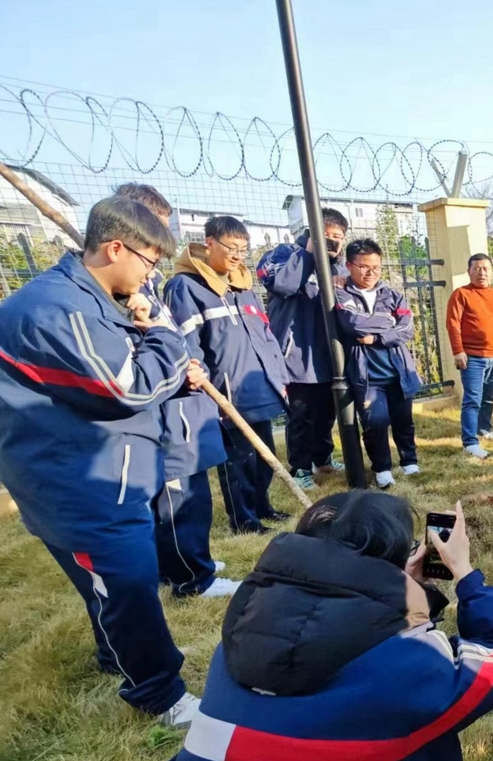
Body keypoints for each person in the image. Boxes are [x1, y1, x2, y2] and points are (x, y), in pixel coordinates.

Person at [144, 493, 493, 761]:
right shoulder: (407, 660)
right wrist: (465, 574)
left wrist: (402, 589)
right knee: (427, 736)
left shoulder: (239, 634)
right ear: (394, 556)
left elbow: (338, 623)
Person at [0, 196, 202, 727]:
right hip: (82, 485)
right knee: (128, 586)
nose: (150, 275)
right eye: (149, 262)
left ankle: (120, 653)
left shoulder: (90, 298)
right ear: (116, 248)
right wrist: (166, 338)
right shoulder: (57, 309)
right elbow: (125, 387)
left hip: (104, 470)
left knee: (109, 588)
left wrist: (156, 352)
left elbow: (111, 369)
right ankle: (159, 693)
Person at [115, 183, 236, 598]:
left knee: (188, 492)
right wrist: (178, 366)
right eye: (158, 228)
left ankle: (183, 561)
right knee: (179, 496)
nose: (165, 239)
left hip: (183, 395)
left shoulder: (147, 283)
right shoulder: (120, 290)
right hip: (165, 408)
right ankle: (193, 577)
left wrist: (191, 362)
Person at [166, 216, 289, 536]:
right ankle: (244, 520)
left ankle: (262, 506)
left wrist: (278, 376)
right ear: (209, 243)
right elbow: (186, 343)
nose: (238, 256)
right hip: (225, 391)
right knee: (238, 461)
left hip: (256, 386)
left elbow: (265, 335)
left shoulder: (243, 286)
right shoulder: (185, 287)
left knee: (263, 456)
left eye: (243, 249)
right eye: (231, 248)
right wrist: (204, 385)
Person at [257, 208, 350, 490]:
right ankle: (300, 468)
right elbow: (284, 285)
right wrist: (309, 252)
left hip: (328, 353)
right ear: (312, 232)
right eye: (327, 235)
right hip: (295, 354)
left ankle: (323, 458)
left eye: (338, 237)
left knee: (326, 413)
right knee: (301, 416)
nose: (332, 242)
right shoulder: (282, 254)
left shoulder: (340, 266)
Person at [334, 239, 422, 489]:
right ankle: (382, 468)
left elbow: (407, 328)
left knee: (403, 420)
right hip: (367, 376)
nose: (371, 272)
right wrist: (388, 321)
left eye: (376, 267)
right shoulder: (341, 292)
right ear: (349, 265)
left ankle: (409, 460)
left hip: (398, 371)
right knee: (375, 423)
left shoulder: (393, 295)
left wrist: (377, 338)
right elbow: (353, 323)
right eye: (364, 267)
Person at [445, 254, 493, 459]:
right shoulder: (461, 295)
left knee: (489, 397)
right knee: (472, 400)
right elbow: (453, 324)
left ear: (491, 272)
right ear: (469, 271)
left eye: (485, 268)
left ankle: (484, 428)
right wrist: (458, 351)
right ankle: (470, 442)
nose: (481, 272)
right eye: (476, 268)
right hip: (471, 358)